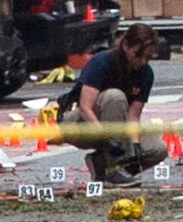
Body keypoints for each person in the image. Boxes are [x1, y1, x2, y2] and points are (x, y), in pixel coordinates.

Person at [60, 24, 165, 187]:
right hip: (81, 123)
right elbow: (85, 107)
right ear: (125, 45)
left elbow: (133, 116)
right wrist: (106, 138)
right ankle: (113, 169)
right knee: (115, 96)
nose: (142, 61)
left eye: (148, 57)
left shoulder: (146, 74)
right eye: (138, 55)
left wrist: (135, 147)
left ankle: (99, 164)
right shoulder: (101, 62)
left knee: (157, 149)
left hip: (116, 128)